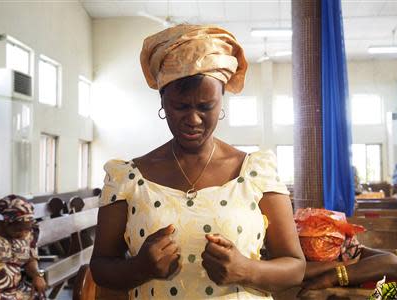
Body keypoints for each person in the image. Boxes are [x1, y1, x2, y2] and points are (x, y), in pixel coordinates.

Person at [90, 24, 305, 299]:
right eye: (181, 106)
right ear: (163, 101)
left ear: (221, 102)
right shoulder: (127, 178)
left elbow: (295, 268)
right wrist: (139, 268)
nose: (193, 119)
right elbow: (100, 267)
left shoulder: (256, 172)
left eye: (205, 106)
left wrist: (246, 270)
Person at [295, 208, 397, 295]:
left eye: (327, 248)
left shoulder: (350, 251)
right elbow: (297, 272)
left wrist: (332, 277)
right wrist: (339, 265)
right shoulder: (292, 257)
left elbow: (396, 265)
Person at [0, 195, 46, 299]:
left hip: (15, 290)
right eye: (18, 229)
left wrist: (37, 275)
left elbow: (30, 259)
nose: (23, 234)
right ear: (5, 222)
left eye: (26, 229)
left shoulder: (31, 231)